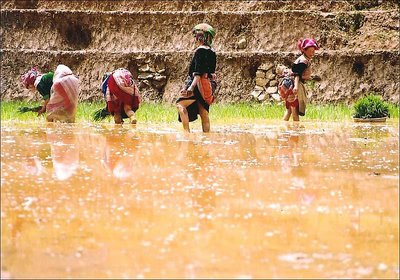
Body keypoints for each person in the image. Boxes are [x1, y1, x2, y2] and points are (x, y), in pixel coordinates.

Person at [176, 23, 218, 132]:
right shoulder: (212, 52)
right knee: (203, 112)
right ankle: (207, 136)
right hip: (207, 85)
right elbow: (211, 72)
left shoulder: (200, 51)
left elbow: (198, 72)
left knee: (180, 105)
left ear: (200, 37)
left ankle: (187, 133)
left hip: (197, 84)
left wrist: (190, 87)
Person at [291, 38, 319, 120]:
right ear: (304, 51)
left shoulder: (305, 59)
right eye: (310, 51)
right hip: (296, 85)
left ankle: (287, 127)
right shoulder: (303, 61)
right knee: (295, 108)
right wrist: (296, 87)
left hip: (294, 84)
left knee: (290, 109)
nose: (312, 53)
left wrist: (311, 78)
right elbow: (297, 74)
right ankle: (296, 129)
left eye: (313, 51)